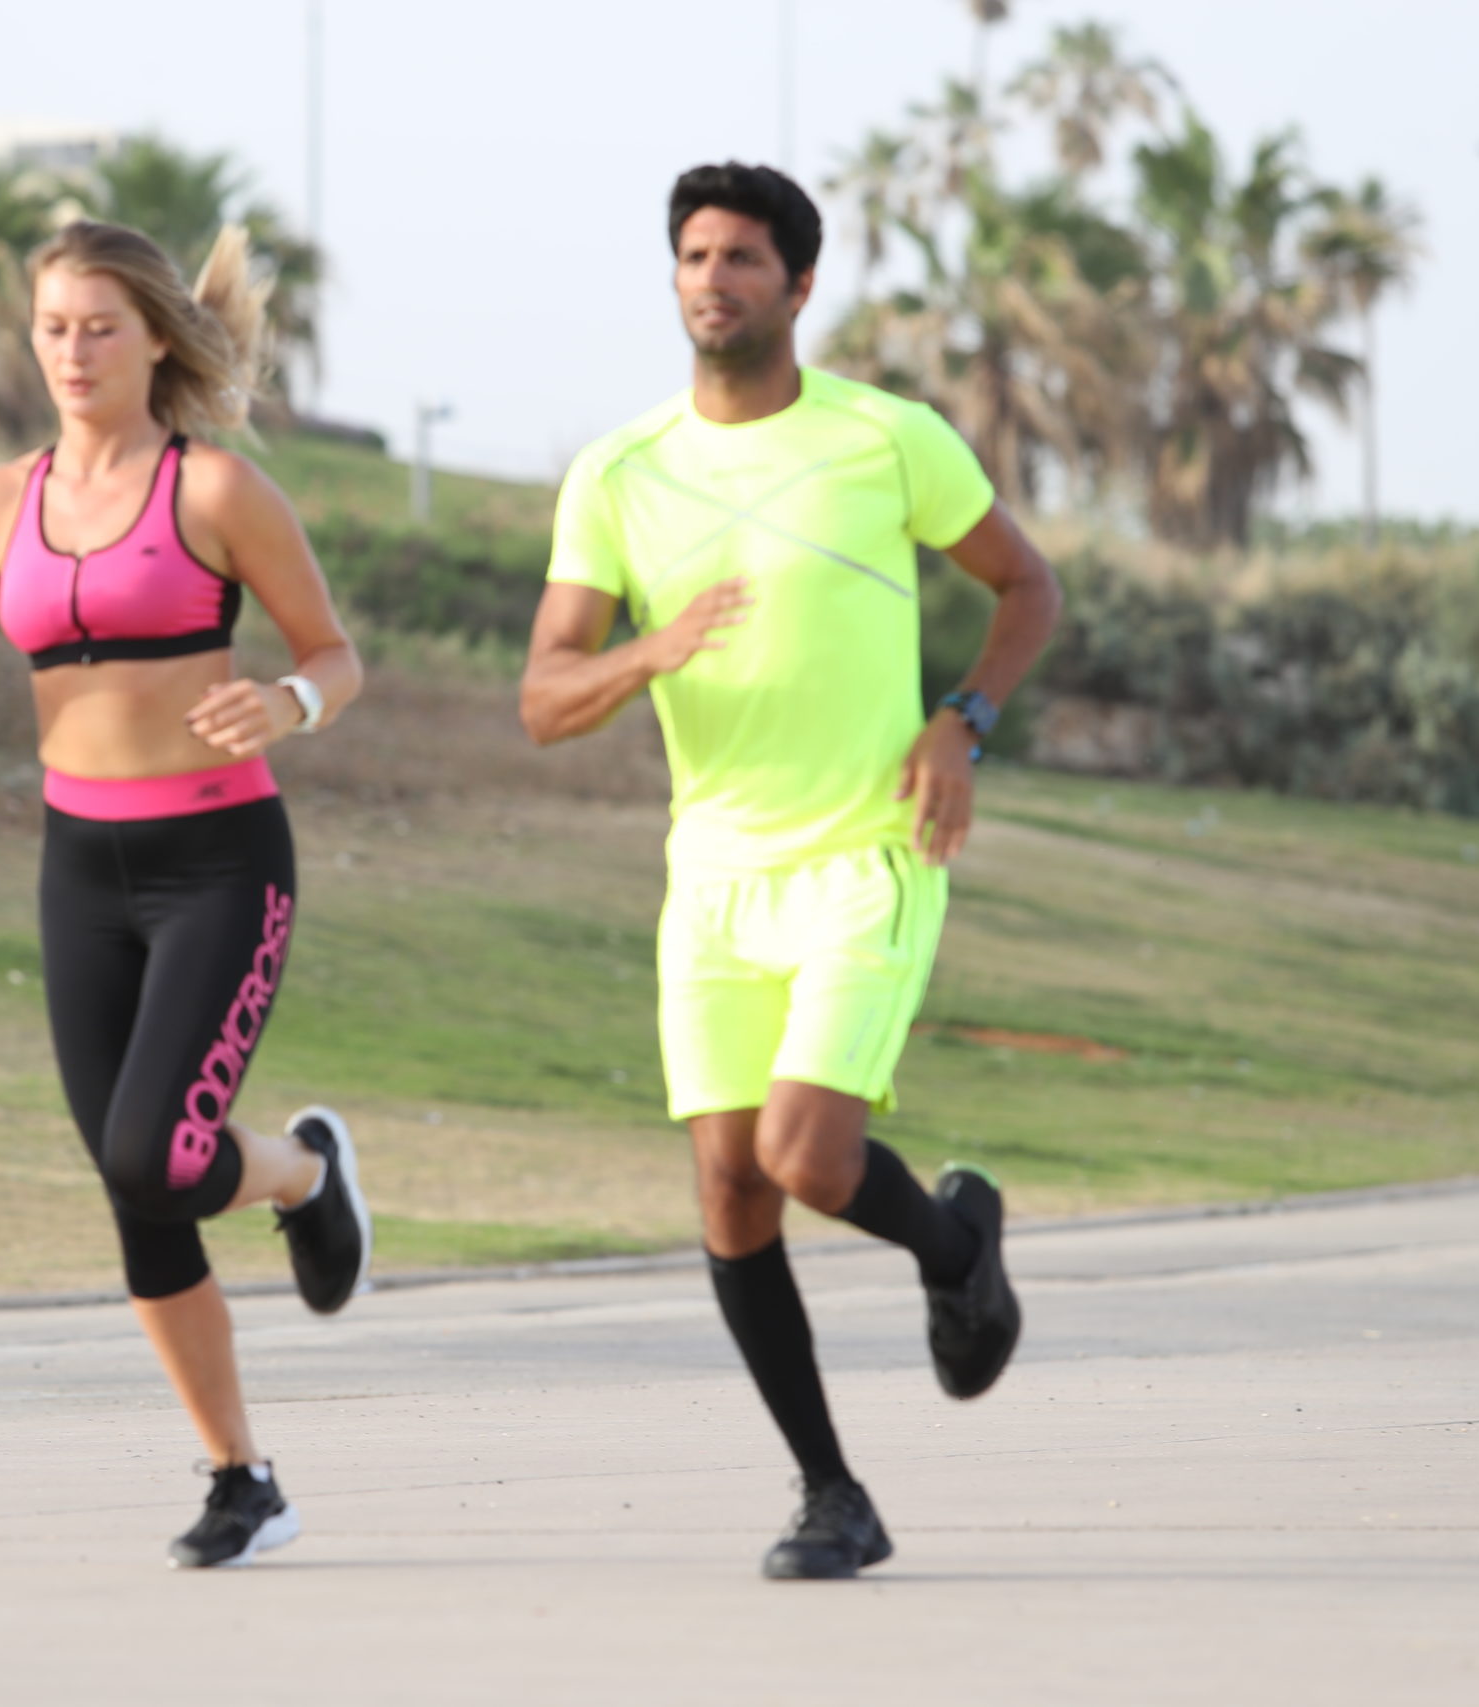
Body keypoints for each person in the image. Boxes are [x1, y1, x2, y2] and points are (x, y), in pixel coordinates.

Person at [520, 163, 1063, 1579]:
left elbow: (1029, 586)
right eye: (695, 255)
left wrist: (964, 720)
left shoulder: (888, 439)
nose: (714, 279)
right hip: (712, 879)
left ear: (801, 285)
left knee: (806, 1156)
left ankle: (955, 1252)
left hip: (867, 853)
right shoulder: (618, 475)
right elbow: (545, 697)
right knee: (729, 1190)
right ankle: (833, 1494)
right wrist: (648, 649)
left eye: (744, 258)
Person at [0, 220, 371, 1570]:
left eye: (99, 328)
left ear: (154, 339)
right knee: (136, 1192)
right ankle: (243, 1479)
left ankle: (305, 1173)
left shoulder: (217, 492)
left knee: (157, 1157)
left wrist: (290, 701)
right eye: (52, 329)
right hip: (80, 872)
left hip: (220, 865)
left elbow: (334, 652)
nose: (72, 353)